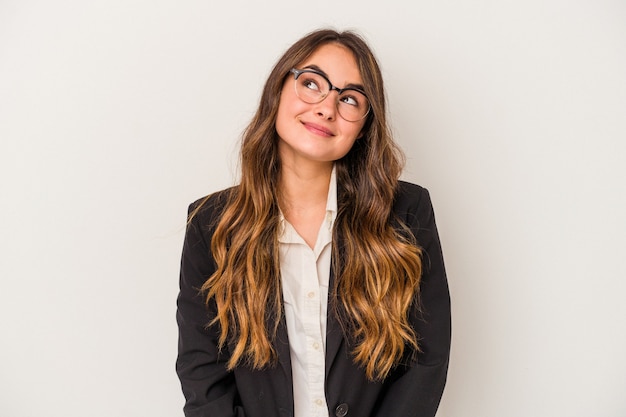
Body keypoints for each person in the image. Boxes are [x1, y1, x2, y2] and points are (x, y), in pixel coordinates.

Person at [176, 28, 451, 417]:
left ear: (363, 127)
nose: (326, 108)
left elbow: (426, 361)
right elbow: (202, 374)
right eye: (311, 83)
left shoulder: (406, 212)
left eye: (350, 98)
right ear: (277, 91)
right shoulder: (212, 225)